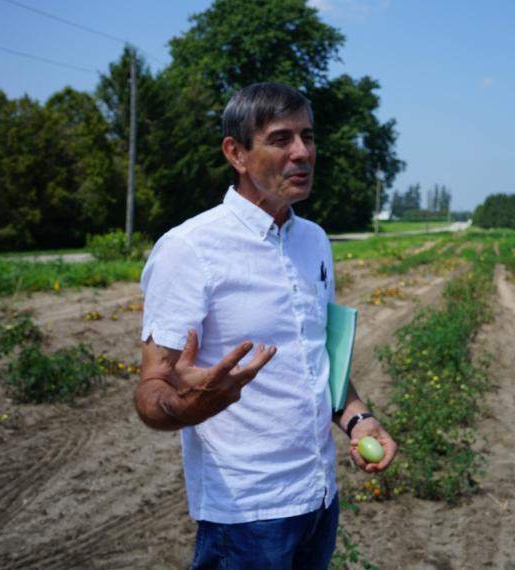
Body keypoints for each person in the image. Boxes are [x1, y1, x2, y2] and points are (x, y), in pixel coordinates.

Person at [134, 82, 397, 569]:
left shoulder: (313, 240)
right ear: (236, 153)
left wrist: (359, 418)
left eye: (308, 137)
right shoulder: (189, 248)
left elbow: (318, 359)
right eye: (281, 139)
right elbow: (151, 390)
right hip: (246, 512)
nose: (302, 152)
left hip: (319, 496)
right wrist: (188, 406)